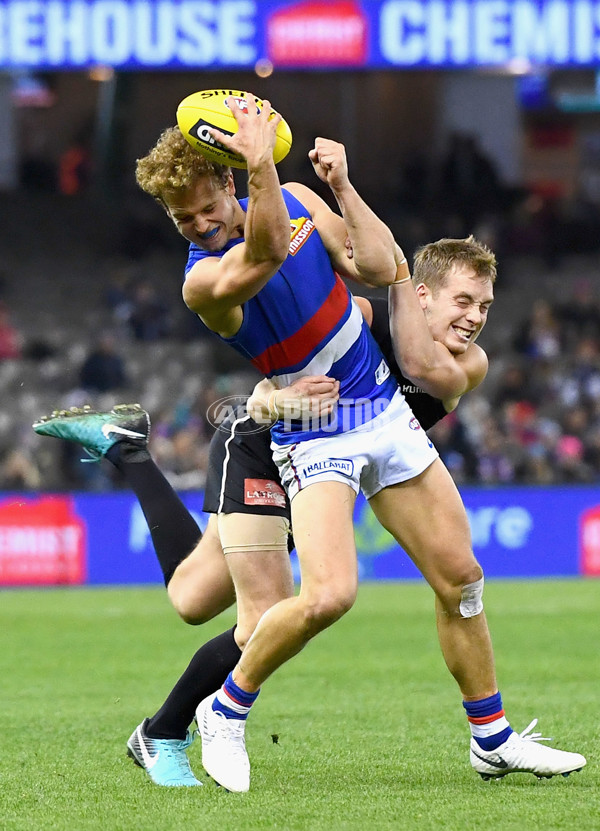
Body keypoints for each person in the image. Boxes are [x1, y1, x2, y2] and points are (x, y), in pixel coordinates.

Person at [40, 94, 585, 790]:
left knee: (463, 580)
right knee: (319, 597)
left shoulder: (298, 199)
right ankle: (222, 711)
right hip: (300, 429)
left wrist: (342, 186)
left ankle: (492, 737)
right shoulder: (202, 281)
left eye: (208, 208)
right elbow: (263, 251)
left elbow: (382, 266)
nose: (201, 226)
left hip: (379, 411)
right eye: (184, 220)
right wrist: (262, 159)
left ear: (229, 184)